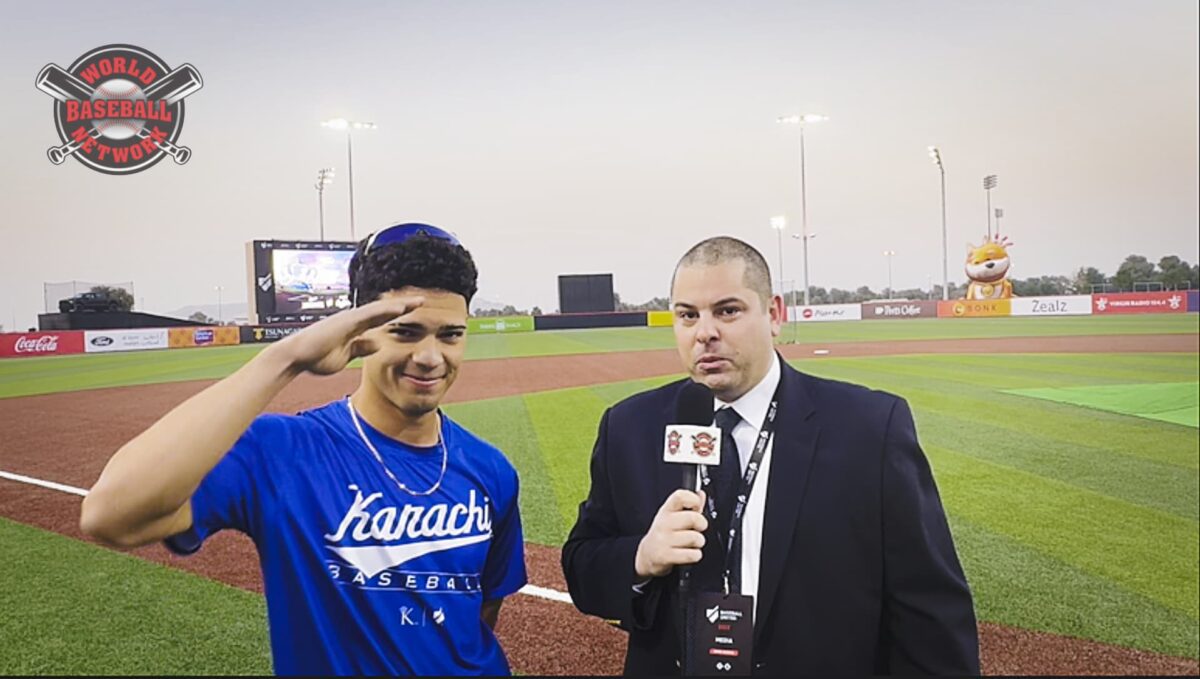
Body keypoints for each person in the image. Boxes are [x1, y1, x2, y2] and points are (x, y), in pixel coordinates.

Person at [81, 223, 527, 676]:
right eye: (406, 333)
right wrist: (286, 358)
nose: (431, 357)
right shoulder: (280, 452)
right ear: (359, 327)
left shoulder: (490, 469)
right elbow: (111, 516)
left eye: (450, 335)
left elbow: (482, 612)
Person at [561, 236, 978, 675]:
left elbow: (931, 610)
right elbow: (582, 563)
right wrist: (641, 557)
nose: (705, 332)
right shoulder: (630, 427)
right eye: (688, 315)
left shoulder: (869, 429)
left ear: (774, 314)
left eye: (727, 311)